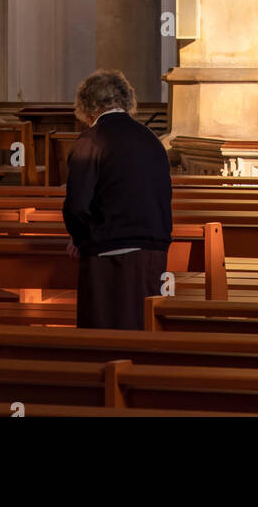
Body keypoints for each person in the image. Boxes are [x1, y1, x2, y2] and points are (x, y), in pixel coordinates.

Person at [63, 69, 172, 329]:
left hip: (107, 252)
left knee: (102, 338)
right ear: (126, 101)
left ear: (87, 107)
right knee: (142, 332)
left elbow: (77, 204)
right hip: (152, 251)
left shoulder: (90, 140)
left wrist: (81, 239)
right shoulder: (151, 139)